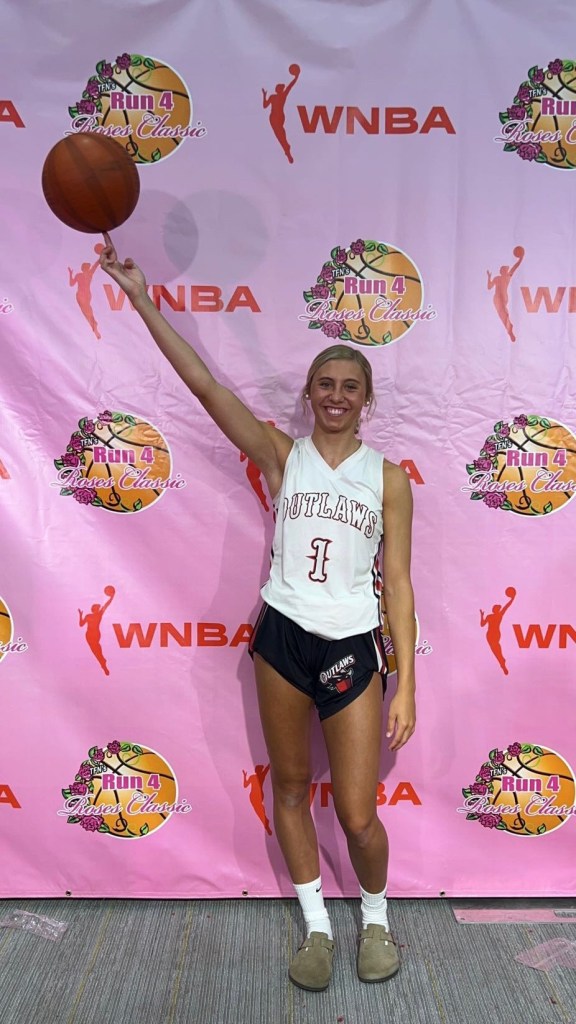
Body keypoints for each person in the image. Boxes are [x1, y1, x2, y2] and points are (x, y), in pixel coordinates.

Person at [99, 233, 417, 992]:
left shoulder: (388, 479)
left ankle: (376, 919)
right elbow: (206, 386)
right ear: (308, 395)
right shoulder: (282, 455)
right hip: (282, 636)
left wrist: (407, 684)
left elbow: (400, 583)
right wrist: (142, 300)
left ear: (366, 400)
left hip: (351, 646)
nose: (336, 395)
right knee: (289, 788)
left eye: (350, 385)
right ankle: (316, 928)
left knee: (357, 813)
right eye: (325, 384)